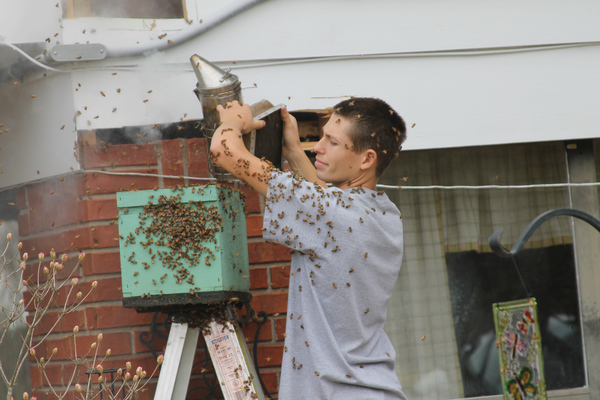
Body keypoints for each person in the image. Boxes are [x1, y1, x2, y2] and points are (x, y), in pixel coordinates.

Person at [210, 97, 408, 399]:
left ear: (366, 159)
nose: (318, 147)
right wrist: (293, 151)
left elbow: (223, 152)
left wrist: (232, 122)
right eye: (321, 137)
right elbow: (325, 207)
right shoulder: (384, 214)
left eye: (331, 141)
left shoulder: (329, 213)